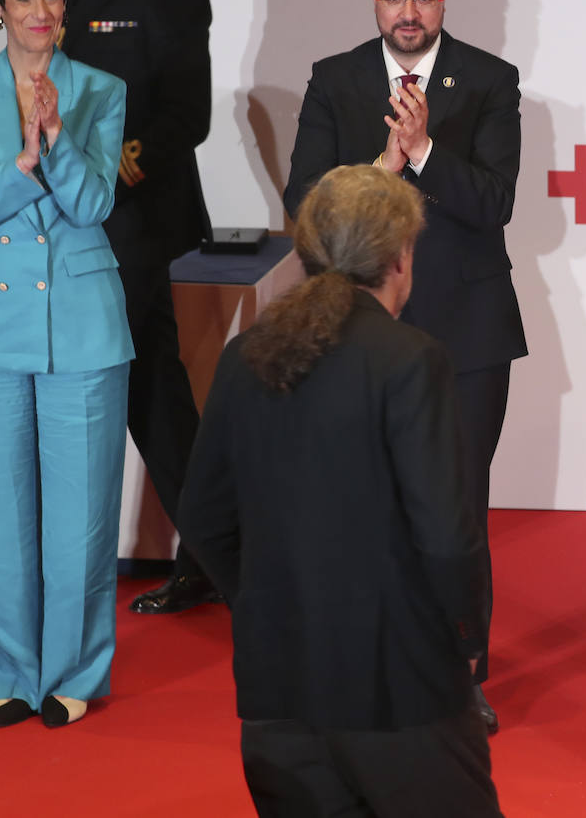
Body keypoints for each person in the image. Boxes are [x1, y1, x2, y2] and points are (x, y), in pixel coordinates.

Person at [174, 165, 502, 817]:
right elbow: (445, 534)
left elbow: (202, 519)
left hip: (276, 686)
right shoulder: (410, 358)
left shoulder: (246, 355)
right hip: (399, 690)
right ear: (401, 257)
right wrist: (465, 642)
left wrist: (266, 602)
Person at [283, 0, 524, 733]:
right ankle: (369, 668)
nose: (409, 12)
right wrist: (383, 167)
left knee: (458, 511)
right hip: (355, 332)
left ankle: (461, 678)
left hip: (467, 334)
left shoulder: (489, 81)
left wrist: (423, 149)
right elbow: (308, 205)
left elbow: (494, 202)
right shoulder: (335, 80)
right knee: (364, 506)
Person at [0, 0, 131, 729]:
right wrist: (19, 165)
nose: (41, 11)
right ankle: (6, 671)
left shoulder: (100, 89)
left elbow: (97, 204)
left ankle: (71, 673)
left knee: (81, 514)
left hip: (84, 327)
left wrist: (59, 140)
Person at [45, 0, 221, 615]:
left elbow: (187, 115)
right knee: (153, 391)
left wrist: (96, 178)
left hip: (131, 219)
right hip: (62, 218)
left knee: (148, 388)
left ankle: (219, 551)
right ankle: (213, 550)